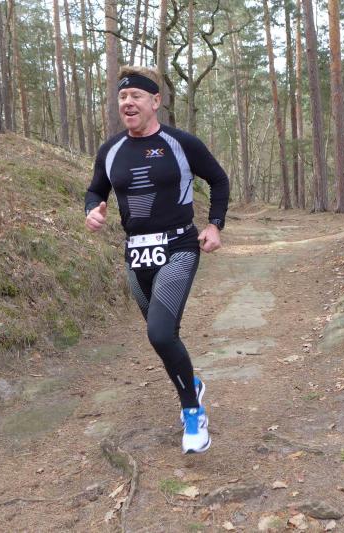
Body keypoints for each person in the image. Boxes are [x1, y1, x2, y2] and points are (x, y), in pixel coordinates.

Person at [84, 66, 230, 454]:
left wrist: (214, 225)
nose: (127, 103)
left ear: (155, 101)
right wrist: (92, 211)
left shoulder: (180, 143)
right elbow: (95, 190)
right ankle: (192, 384)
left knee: (161, 334)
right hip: (136, 253)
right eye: (122, 97)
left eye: (136, 96)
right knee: (163, 336)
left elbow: (218, 179)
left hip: (178, 246)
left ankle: (193, 413)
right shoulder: (111, 150)